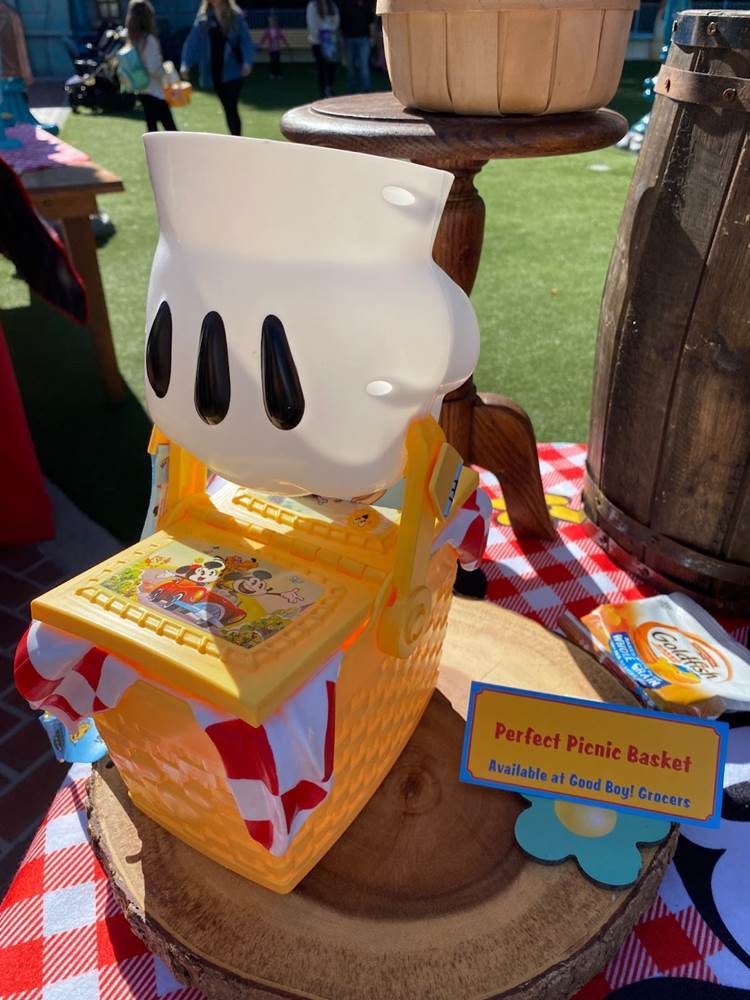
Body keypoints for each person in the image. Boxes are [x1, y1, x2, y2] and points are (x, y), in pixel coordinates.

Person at [181, 0, 254, 137]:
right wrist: (186, 64)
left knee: (231, 105)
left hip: (234, 70)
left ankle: (236, 138)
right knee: (227, 107)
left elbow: (246, 39)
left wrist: (247, 62)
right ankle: (235, 137)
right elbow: (192, 41)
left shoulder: (235, 15)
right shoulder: (203, 18)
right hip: (215, 72)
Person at [125, 0, 177, 132]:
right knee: (171, 130)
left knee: (152, 129)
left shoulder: (132, 41)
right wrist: (167, 70)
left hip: (141, 89)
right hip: (155, 91)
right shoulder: (149, 40)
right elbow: (154, 68)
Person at [306, 0, 340, 98]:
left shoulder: (332, 5)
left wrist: (329, 30)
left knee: (331, 66)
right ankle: (323, 90)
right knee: (321, 67)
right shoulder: (312, 5)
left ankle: (330, 88)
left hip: (330, 42)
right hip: (318, 42)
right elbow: (311, 23)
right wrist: (321, 35)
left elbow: (336, 20)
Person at [338, 0, 373, 93]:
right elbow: (341, 23)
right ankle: (351, 89)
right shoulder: (345, 4)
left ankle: (366, 89)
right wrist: (342, 40)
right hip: (349, 39)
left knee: (364, 65)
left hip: (364, 39)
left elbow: (371, 21)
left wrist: (371, 38)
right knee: (351, 66)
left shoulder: (366, 3)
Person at [260, 14, 289, 79]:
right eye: (270, 22)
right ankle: (272, 73)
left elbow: (282, 37)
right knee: (272, 61)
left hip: (277, 48)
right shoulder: (267, 30)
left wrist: (286, 43)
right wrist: (260, 44)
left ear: (275, 22)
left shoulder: (278, 30)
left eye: (272, 22)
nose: (271, 23)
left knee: (277, 61)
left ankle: (279, 74)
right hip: (271, 49)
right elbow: (263, 38)